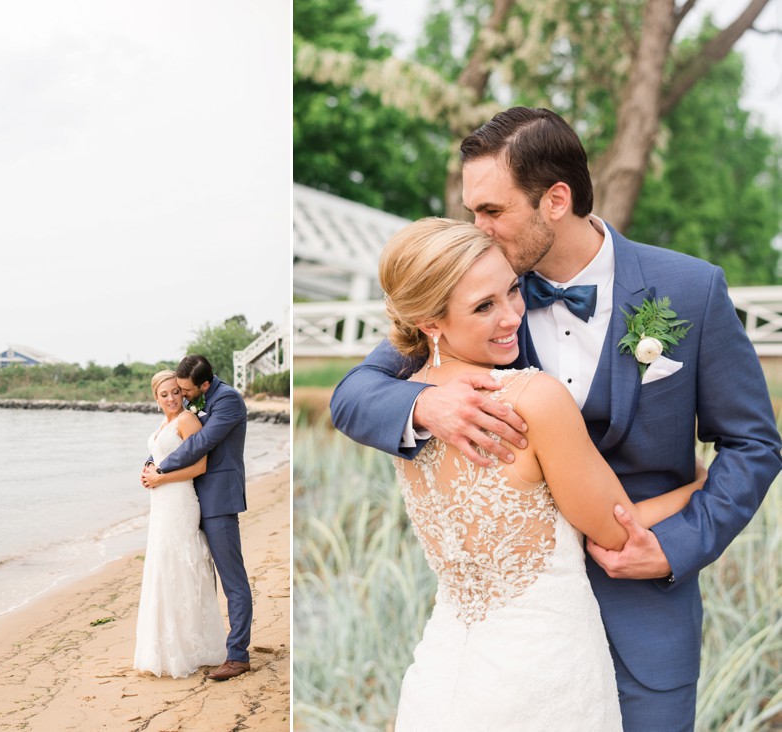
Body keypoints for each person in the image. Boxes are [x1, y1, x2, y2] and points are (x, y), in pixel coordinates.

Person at [330, 107, 781, 729]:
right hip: (520, 638)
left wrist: (677, 544)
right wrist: (423, 403)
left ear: (555, 200)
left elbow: (753, 443)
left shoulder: (690, 289)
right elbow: (353, 394)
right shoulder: (473, 294)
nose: (479, 229)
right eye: (472, 213)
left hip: (646, 611)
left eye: (491, 211)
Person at [376, 217, 705, 730]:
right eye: (484, 307)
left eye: (511, 291)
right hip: (541, 674)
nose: (511, 316)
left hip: (442, 675)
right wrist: (698, 486)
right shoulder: (533, 398)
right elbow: (616, 528)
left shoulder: (411, 407)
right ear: (431, 322)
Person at [141, 354, 253, 681]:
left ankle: (238, 655)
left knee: (232, 579)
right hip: (188, 500)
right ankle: (202, 644)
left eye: (185, 390)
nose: (181, 395)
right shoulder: (195, 403)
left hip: (217, 499)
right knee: (197, 575)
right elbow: (173, 436)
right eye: (176, 390)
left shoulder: (228, 400)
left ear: (204, 384)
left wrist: (160, 470)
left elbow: (200, 443)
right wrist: (150, 461)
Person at [133, 370, 227, 678]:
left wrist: (160, 477)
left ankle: (189, 647)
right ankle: (164, 645)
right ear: (155, 398)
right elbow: (161, 454)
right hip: (162, 504)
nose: (172, 398)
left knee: (180, 566)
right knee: (163, 566)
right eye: (165, 394)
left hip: (180, 501)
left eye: (176, 392)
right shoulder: (164, 423)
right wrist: (149, 467)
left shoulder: (187, 420)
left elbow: (200, 465)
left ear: (183, 392)